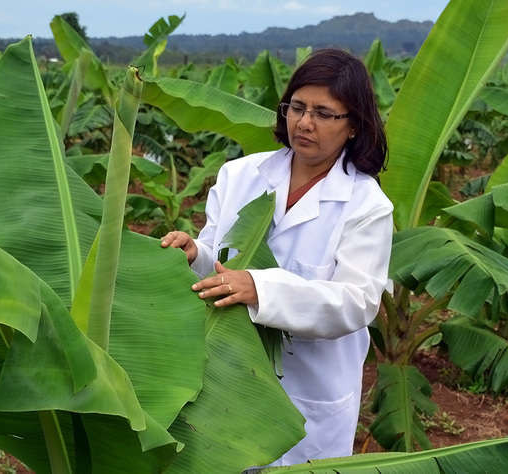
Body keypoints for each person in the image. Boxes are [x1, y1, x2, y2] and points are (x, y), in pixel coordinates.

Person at [159, 49, 393, 466]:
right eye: (297, 107)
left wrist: (261, 289)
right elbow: (219, 260)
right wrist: (195, 254)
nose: (305, 123)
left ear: (354, 125)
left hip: (309, 391)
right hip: (226, 373)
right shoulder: (240, 176)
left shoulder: (365, 205)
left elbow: (357, 302)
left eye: (324, 113)